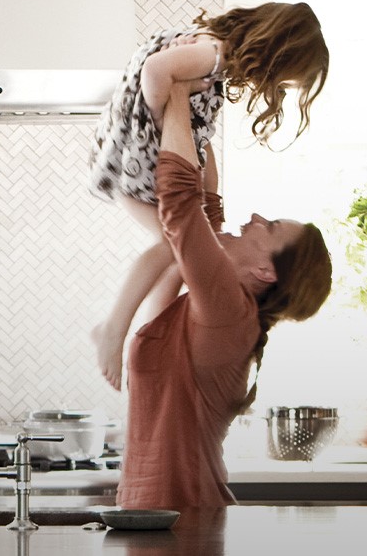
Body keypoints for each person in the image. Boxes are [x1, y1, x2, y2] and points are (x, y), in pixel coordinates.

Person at [117, 78, 333, 511]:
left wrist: (176, 88)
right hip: (160, 526)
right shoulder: (215, 307)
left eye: (268, 227)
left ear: (265, 271)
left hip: (186, 530)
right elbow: (202, 215)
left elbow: (182, 207)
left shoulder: (230, 314)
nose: (253, 217)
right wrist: (197, 122)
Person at [88, 2, 329, 389]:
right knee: (172, 246)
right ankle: (114, 328)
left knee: (174, 254)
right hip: (135, 160)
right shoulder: (213, 56)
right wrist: (161, 118)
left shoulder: (214, 54)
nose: (276, 87)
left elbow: (189, 117)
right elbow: (155, 70)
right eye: (283, 81)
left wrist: (190, 148)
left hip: (135, 155)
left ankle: (135, 342)